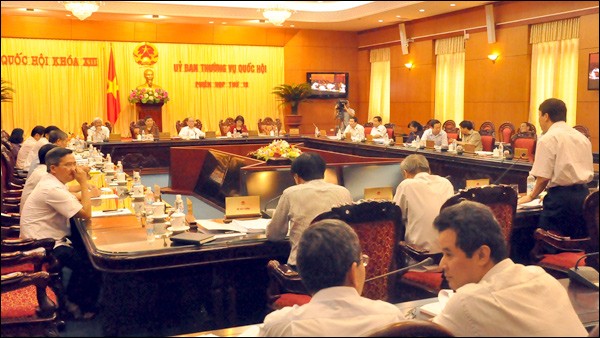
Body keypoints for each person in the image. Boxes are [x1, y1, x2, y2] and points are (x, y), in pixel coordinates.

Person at [431, 201, 588, 337]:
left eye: (449, 254)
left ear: (481, 255)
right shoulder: (544, 279)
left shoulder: (467, 302)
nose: (442, 264)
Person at [260, 219, 406, 337]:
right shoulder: (391, 318)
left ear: (303, 274)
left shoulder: (279, 326)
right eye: (363, 261)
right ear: (353, 272)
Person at [20, 147, 102, 319]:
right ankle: (80, 306)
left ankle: (72, 300)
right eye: (68, 165)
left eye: (75, 164)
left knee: (85, 250)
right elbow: (86, 213)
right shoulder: (52, 188)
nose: (74, 169)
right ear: (53, 168)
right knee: (92, 263)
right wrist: (84, 184)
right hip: (42, 245)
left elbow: (73, 201)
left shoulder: (53, 182)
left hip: (47, 238)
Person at [518, 98, 593, 239]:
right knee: (577, 243)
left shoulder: (548, 138)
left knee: (543, 242)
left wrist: (531, 196)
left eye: (539, 115)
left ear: (546, 116)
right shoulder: (582, 138)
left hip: (560, 203)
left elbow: (543, 177)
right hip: (584, 197)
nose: (539, 120)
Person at [266, 152, 352, 267]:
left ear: (296, 177)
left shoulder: (290, 193)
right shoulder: (344, 192)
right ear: (323, 172)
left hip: (302, 268)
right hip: (338, 266)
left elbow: (274, 235)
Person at [392, 154, 454, 254]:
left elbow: (396, 218)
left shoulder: (407, 185)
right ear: (428, 170)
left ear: (405, 173)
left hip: (419, 258)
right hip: (446, 256)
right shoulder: (446, 183)